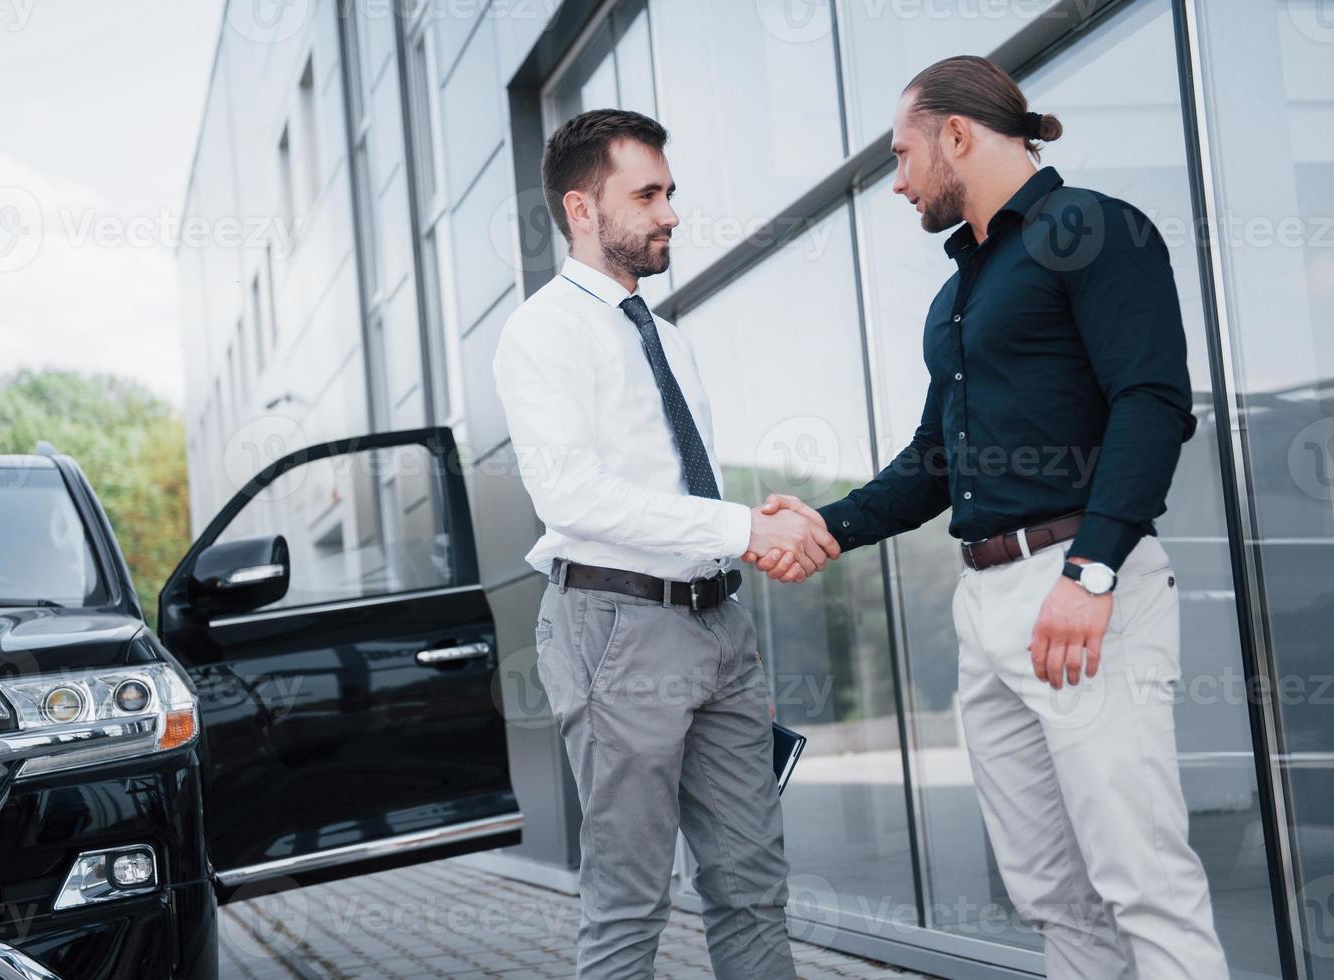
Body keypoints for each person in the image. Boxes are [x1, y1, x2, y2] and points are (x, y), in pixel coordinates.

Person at [752, 56, 1228, 977]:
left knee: (1143, 878)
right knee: (1051, 891)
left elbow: (1152, 402)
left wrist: (1091, 572)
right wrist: (826, 524)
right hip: (987, 604)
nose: (896, 181)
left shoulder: (1092, 228)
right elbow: (936, 460)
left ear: (957, 135)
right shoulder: (958, 293)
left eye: (901, 155)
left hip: (1085, 590)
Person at [492, 108, 836, 979]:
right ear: (580, 208)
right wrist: (746, 529)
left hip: (716, 627)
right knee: (630, 902)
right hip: (618, 629)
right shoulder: (543, 333)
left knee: (754, 886)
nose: (671, 213)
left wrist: (737, 563)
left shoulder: (667, 338)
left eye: (670, 192)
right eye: (646, 194)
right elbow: (570, 495)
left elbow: (681, 490)